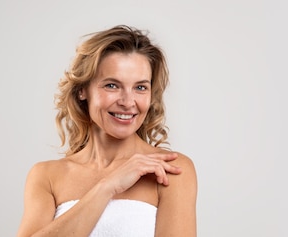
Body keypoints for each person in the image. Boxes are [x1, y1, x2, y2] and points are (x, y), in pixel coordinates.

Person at [16, 25, 197, 237]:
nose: (128, 102)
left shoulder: (168, 170)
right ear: (82, 90)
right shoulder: (47, 176)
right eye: (112, 85)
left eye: (140, 87)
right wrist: (107, 187)